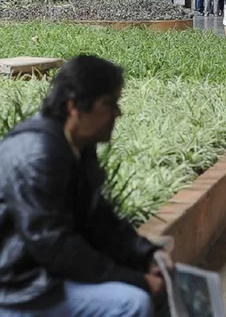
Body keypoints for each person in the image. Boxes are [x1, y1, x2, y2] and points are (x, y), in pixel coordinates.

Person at [0, 55, 174, 316]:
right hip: (20, 287)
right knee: (132, 302)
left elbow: (99, 218)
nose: (118, 113)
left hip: (45, 274)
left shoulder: (77, 143)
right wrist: (136, 279)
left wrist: (146, 256)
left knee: (163, 284)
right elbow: (54, 246)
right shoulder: (37, 154)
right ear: (75, 106)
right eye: (109, 104)